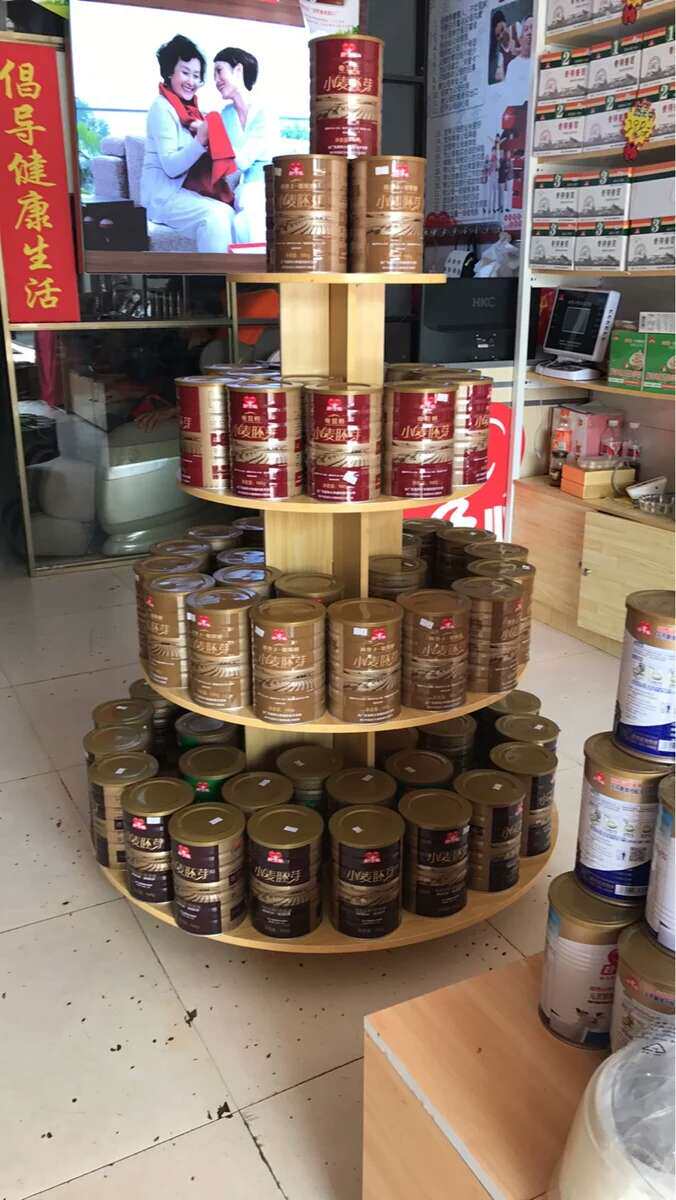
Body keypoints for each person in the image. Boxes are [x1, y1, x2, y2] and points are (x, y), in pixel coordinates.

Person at [140, 35, 235, 252]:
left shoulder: (191, 111)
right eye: (185, 72)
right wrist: (201, 139)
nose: (191, 81)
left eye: (196, 75)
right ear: (169, 72)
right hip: (163, 196)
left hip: (180, 193)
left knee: (228, 213)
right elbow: (171, 168)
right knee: (215, 217)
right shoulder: (162, 108)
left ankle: (229, 272)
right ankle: (213, 274)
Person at [214, 47, 275, 245]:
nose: (216, 80)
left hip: (269, 187)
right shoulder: (226, 115)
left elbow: (242, 161)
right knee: (242, 214)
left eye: (219, 71)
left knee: (250, 212)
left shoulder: (266, 111)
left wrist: (213, 132)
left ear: (238, 70)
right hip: (244, 189)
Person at [504, 15, 533, 93]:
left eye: (533, 28)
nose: (529, 33)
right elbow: (510, 93)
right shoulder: (513, 66)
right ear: (520, 38)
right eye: (526, 29)